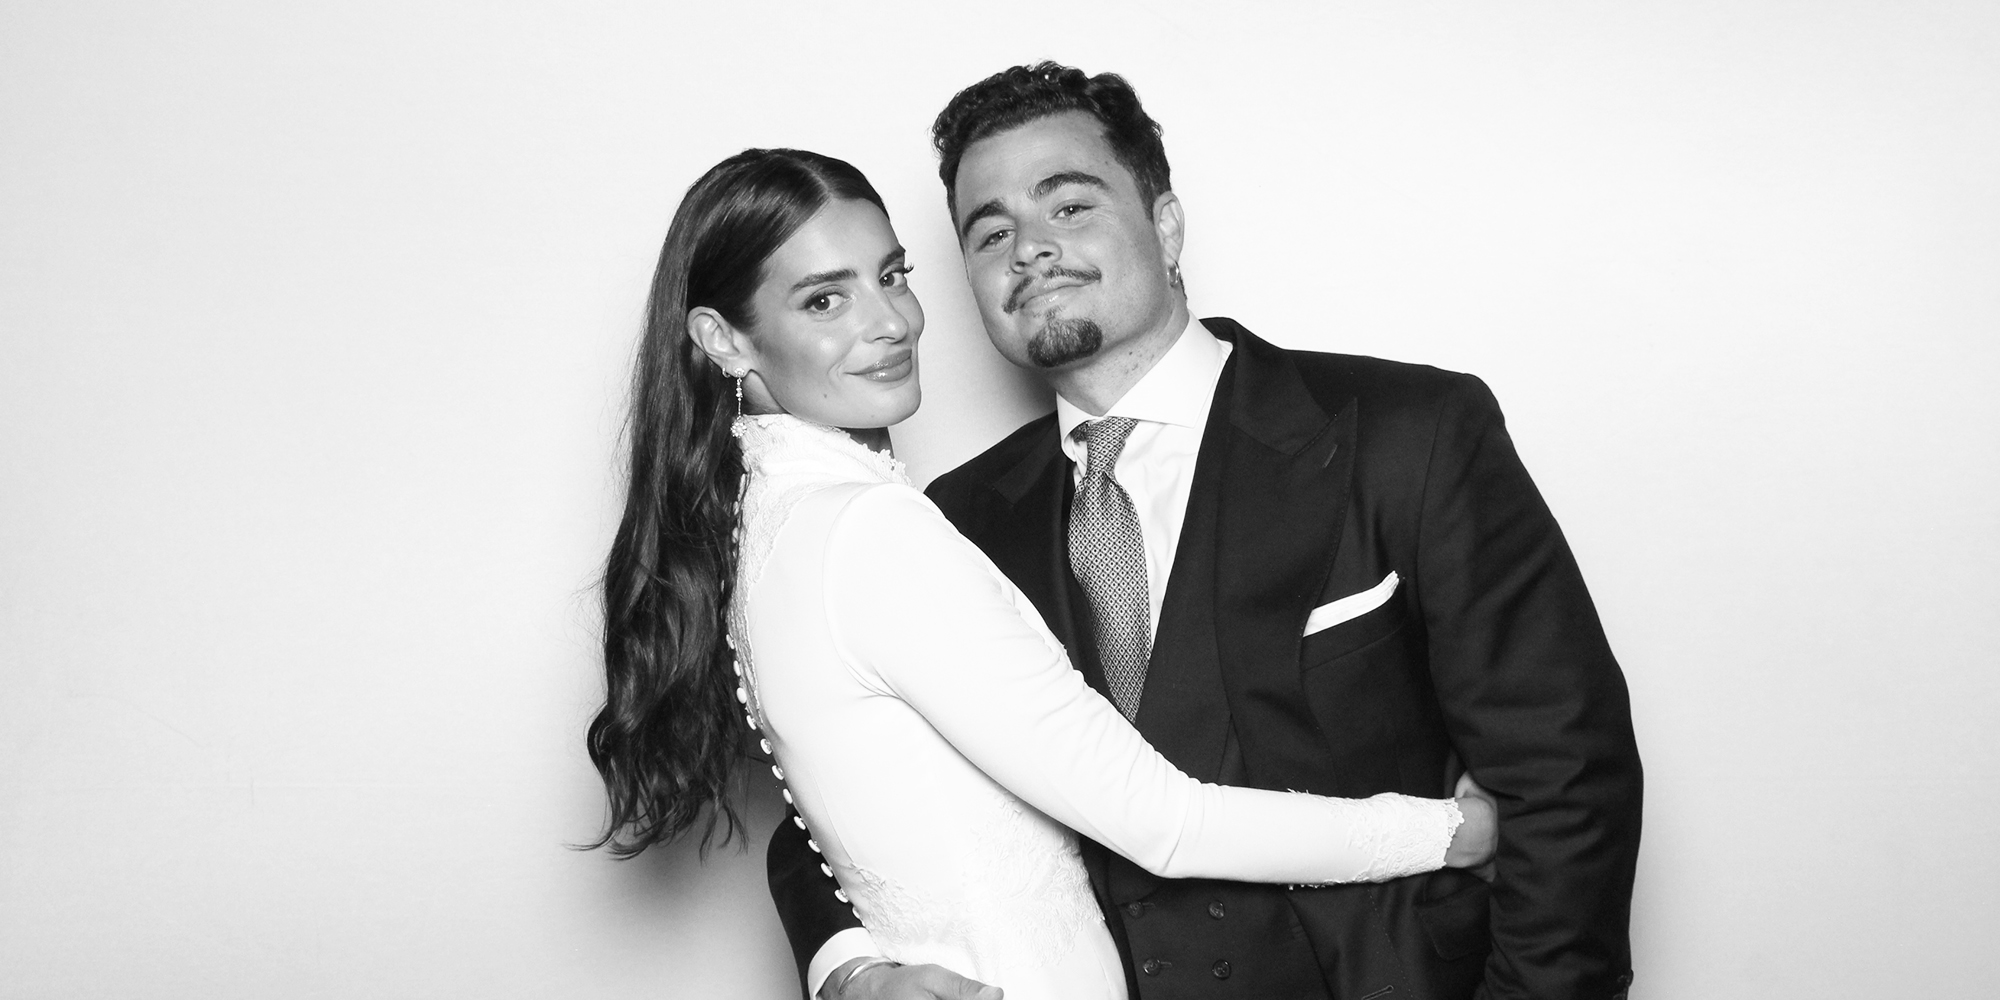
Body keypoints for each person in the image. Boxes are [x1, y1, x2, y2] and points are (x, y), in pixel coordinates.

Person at [768, 64, 1645, 1000]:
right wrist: (851, 971)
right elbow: (838, 790)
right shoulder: (952, 521)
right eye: (991, 233)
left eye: (1069, 206)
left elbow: (1565, 778)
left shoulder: (1408, 433)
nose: (1030, 249)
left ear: (1168, 226)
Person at [585, 147, 1501, 1000]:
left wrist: (856, 971)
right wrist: (1449, 832)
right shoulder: (878, 530)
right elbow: (1159, 819)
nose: (892, 322)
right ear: (724, 339)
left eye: (892, 275)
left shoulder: (766, 524)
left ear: (1165, 222)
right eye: (825, 300)